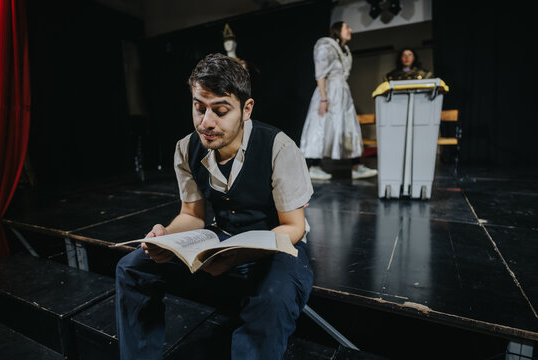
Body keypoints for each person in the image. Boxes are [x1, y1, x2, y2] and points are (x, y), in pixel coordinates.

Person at [115, 53, 314, 360]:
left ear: (246, 109)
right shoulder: (186, 148)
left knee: (272, 299)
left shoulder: (279, 147)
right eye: (199, 108)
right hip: (224, 239)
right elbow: (192, 216)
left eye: (220, 111)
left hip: (279, 244)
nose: (206, 123)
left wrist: (238, 255)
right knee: (131, 268)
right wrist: (164, 234)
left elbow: (294, 226)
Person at [300, 21, 377, 181]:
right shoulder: (325, 46)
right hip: (329, 91)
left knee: (348, 127)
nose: (351, 30)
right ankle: (314, 166)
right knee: (322, 126)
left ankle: (356, 166)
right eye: (347, 27)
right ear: (337, 30)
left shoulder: (346, 50)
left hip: (343, 92)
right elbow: (320, 74)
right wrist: (323, 98)